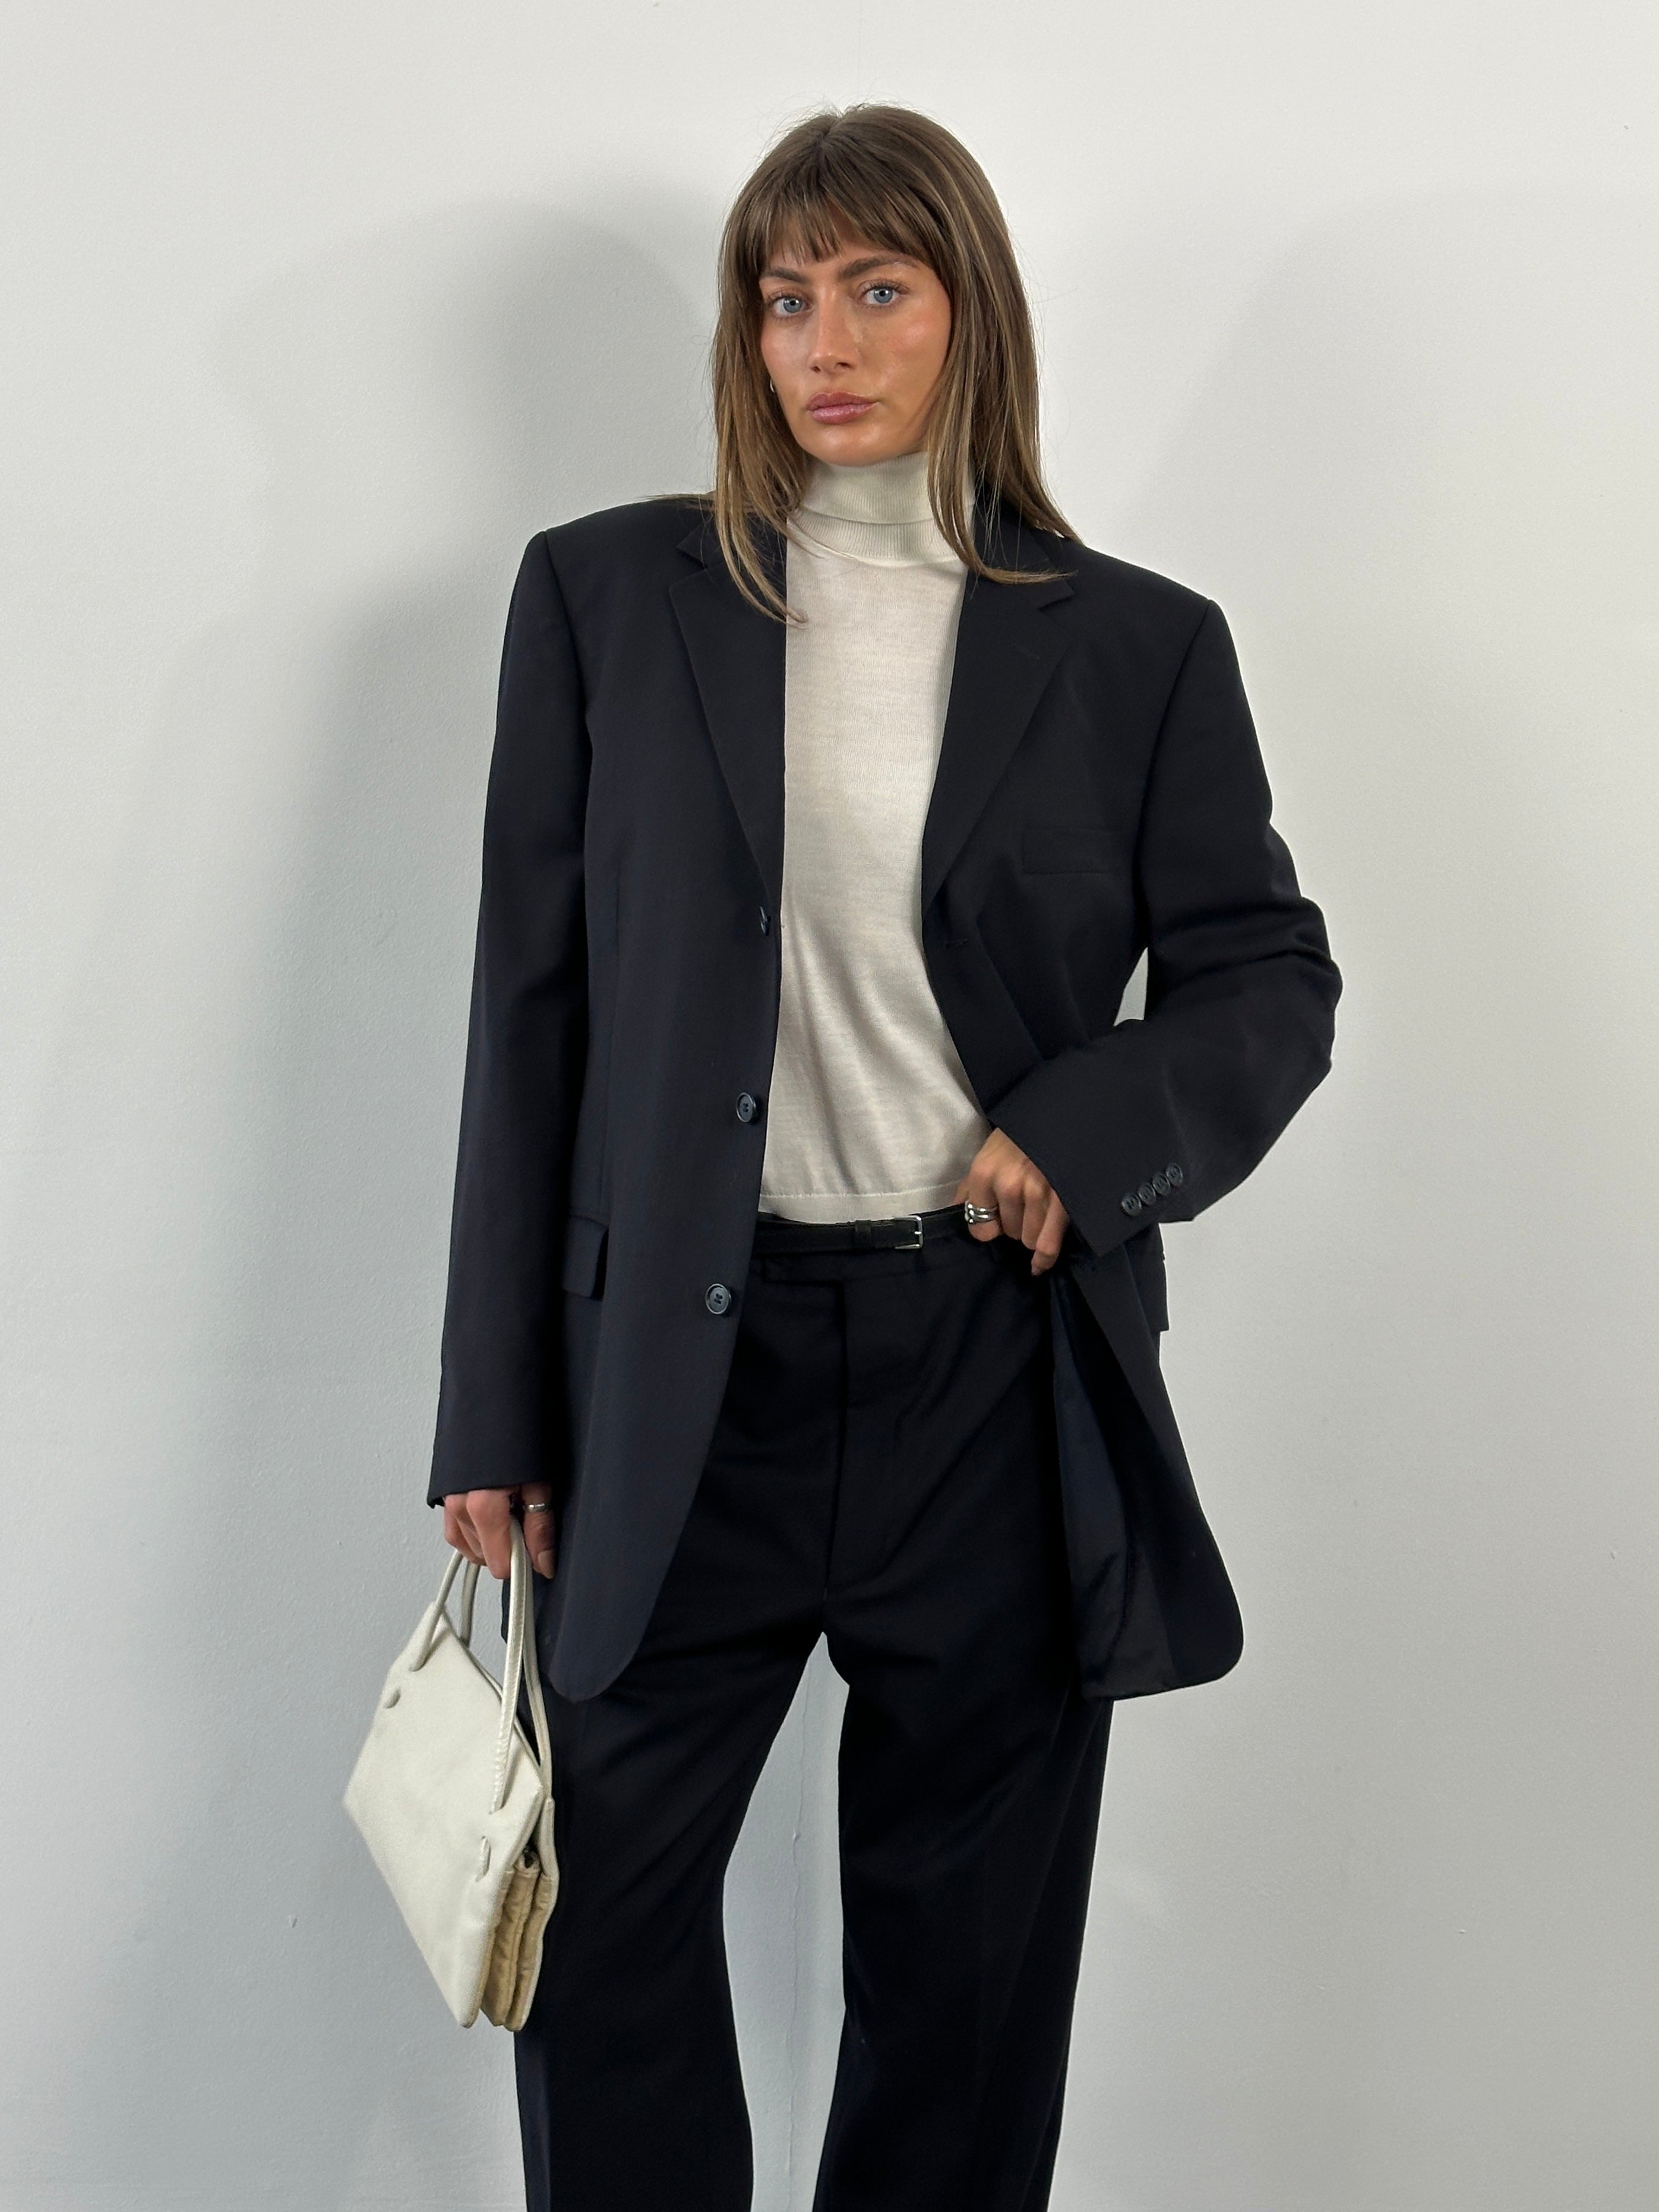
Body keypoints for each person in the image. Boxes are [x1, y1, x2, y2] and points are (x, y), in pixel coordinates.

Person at [426, 103, 1339, 2212]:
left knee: (966, 1980)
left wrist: (1080, 1129)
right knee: (598, 1932)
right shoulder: (605, 597)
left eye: (874, 289)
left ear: (967, 311)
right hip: (681, 1378)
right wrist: (495, 1403)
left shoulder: (1133, 643)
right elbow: (528, 1014)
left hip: (990, 1374)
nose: (821, 343)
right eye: (780, 299)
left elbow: (1264, 976)